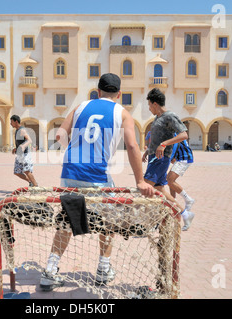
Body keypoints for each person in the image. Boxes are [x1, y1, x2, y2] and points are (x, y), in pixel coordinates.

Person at [40, 73, 155, 291]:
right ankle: (103, 268)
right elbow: (132, 147)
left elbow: (59, 136)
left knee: (67, 222)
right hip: (97, 176)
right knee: (108, 220)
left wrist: (77, 152)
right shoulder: (122, 113)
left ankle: (50, 271)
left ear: (98, 91)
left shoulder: (80, 107)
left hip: (70, 173)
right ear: (118, 94)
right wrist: (140, 180)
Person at [142, 88, 195, 231]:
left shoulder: (169, 116)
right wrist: (148, 151)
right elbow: (157, 139)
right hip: (154, 157)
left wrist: (164, 144)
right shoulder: (157, 118)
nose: (149, 108)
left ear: (154, 104)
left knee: (146, 188)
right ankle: (185, 213)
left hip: (161, 159)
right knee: (159, 190)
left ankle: (146, 224)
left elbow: (183, 135)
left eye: (149, 105)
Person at [167, 136, 196, 218]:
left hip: (184, 158)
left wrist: (170, 157)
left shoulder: (174, 133)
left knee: (170, 180)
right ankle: (173, 203)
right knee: (169, 180)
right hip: (181, 157)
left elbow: (175, 145)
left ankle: (188, 199)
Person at [10, 115, 38, 187]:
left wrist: (23, 146)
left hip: (25, 154)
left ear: (16, 121)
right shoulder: (17, 130)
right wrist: (16, 148)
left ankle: (36, 186)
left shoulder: (22, 130)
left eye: (11, 121)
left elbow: (29, 140)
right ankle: (30, 182)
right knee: (17, 172)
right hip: (19, 154)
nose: (10, 123)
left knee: (27, 171)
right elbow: (21, 142)